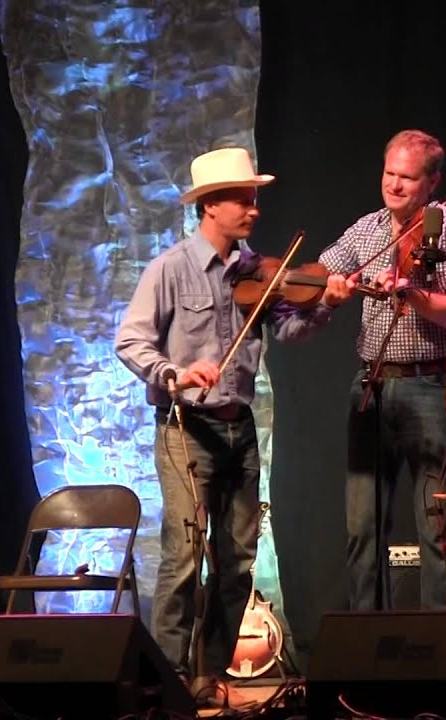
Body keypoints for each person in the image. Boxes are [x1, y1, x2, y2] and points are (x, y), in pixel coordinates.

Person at [115, 147, 351, 680]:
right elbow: (131, 341)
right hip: (187, 431)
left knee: (238, 560)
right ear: (210, 207)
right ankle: (170, 680)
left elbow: (291, 331)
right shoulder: (170, 268)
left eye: (254, 198)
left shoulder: (257, 271)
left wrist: (328, 303)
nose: (254, 209)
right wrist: (175, 373)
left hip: (238, 430)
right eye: (243, 200)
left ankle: (213, 675)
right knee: (183, 557)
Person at [318, 129, 446, 611]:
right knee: (362, 526)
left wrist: (410, 291)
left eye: (408, 177)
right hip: (371, 384)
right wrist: (328, 291)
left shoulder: (442, 225)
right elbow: (324, 270)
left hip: (427, 385)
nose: (395, 185)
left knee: (436, 525)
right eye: (390, 173)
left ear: (432, 182)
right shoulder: (367, 227)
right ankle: (367, 643)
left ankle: (439, 650)